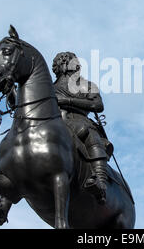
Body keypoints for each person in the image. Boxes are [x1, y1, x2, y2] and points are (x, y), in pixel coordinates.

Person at [52, 51, 110, 204]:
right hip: (55, 122)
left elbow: (97, 105)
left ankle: (100, 183)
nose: (76, 66)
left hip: (80, 121)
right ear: (61, 66)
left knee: (92, 136)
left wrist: (67, 100)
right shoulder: (48, 87)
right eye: (71, 63)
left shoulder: (87, 85)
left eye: (76, 63)